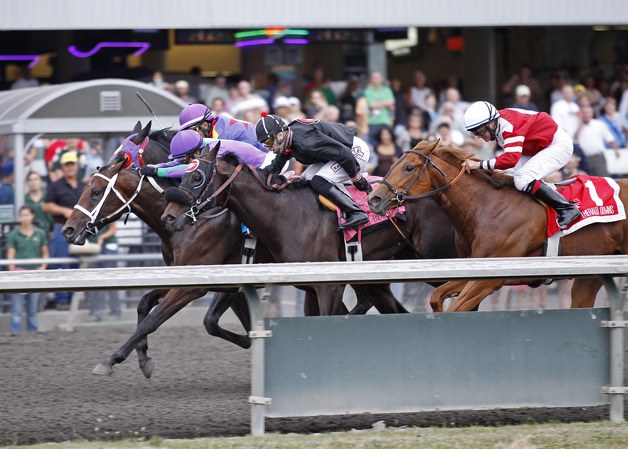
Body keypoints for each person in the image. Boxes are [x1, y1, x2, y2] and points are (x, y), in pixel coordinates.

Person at [461, 101, 581, 229]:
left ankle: (568, 209)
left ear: (492, 123)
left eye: (480, 131)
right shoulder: (497, 124)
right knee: (507, 176)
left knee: (522, 179)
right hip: (535, 147)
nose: (479, 136)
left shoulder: (508, 126)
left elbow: (510, 159)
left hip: (557, 145)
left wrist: (479, 165)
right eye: (475, 133)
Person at [255, 114, 371, 229]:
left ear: (280, 135)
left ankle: (356, 212)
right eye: (264, 144)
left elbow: (344, 154)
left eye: (269, 142)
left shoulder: (306, 142)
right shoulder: (287, 139)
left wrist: (359, 181)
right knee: (305, 179)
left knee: (318, 181)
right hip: (337, 153)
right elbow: (275, 167)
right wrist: (256, 177)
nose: (268, 147)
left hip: (353, 151)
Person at [42, 151, 84, 309]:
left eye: (72, 164)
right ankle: (61, 301)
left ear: (77, 166)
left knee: (77, 265)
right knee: (61, 263)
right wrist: (63, 211)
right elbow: (46, 206)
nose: (70, 167)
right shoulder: (56, 185)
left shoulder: (82, 186)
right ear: (63, 167)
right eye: (67, 165)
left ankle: (74, 300)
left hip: (80, 231)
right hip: (61, 228)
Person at [139, 129, 267, 178]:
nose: (184, 160)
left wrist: (158, 172)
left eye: (185, 158)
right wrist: (155, 167)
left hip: (266, 169)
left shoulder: (213, 151)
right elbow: (178, 162)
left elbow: (190, 169)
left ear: (196, 153)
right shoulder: (199, 145)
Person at [7, 205, 48, 334]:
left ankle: (33, 333)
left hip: (34, 273)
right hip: (19, 273)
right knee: (17, 308)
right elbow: (10, 256)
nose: (24, 218)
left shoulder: (40, 233)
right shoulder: (14, 234)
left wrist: (43, 267)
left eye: (27, 215)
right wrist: (13, 273)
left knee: (32, 308)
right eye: (22, 215)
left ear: (32, 216)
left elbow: (45, 253)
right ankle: (15, 333)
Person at [175, 103, 267, 153]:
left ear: (205, 125)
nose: (190, 136)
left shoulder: (222, 135)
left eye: (192, 131)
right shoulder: (218, 126)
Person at [85, 223, 121, 322]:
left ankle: (115, 311)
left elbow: (113, 229)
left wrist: (102, 237)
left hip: (108, 247)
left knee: (112, 282)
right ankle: (95, 313)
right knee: (93, 283)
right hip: (93, 248)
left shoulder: (107, 211)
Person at [574, 105, 620, 177]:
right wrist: (580, 125)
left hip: (598, 157)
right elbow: (574, 139)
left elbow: (610, 138)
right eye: (584, 113)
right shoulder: (576, 125)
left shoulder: (599, 124)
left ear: (591, 113)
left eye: (588, 113)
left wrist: (616, 150)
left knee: (603, 179)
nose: (586, 115)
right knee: (587, 181)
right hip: (584, 159)